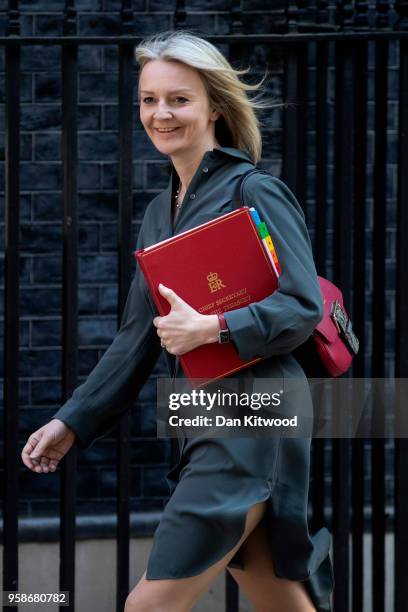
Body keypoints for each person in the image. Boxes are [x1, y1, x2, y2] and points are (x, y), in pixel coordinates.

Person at [21, 30, 334, 612]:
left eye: (179, 99)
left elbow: (302, 306)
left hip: (255, 416)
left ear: (215, 105)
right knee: (280, 597)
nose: (160, 114)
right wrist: (72, 420)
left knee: (148, 605)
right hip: (204, 417)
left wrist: (212, 330)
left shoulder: (255, 190)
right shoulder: (158, 213)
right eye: (148, 99)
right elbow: (136, 338)